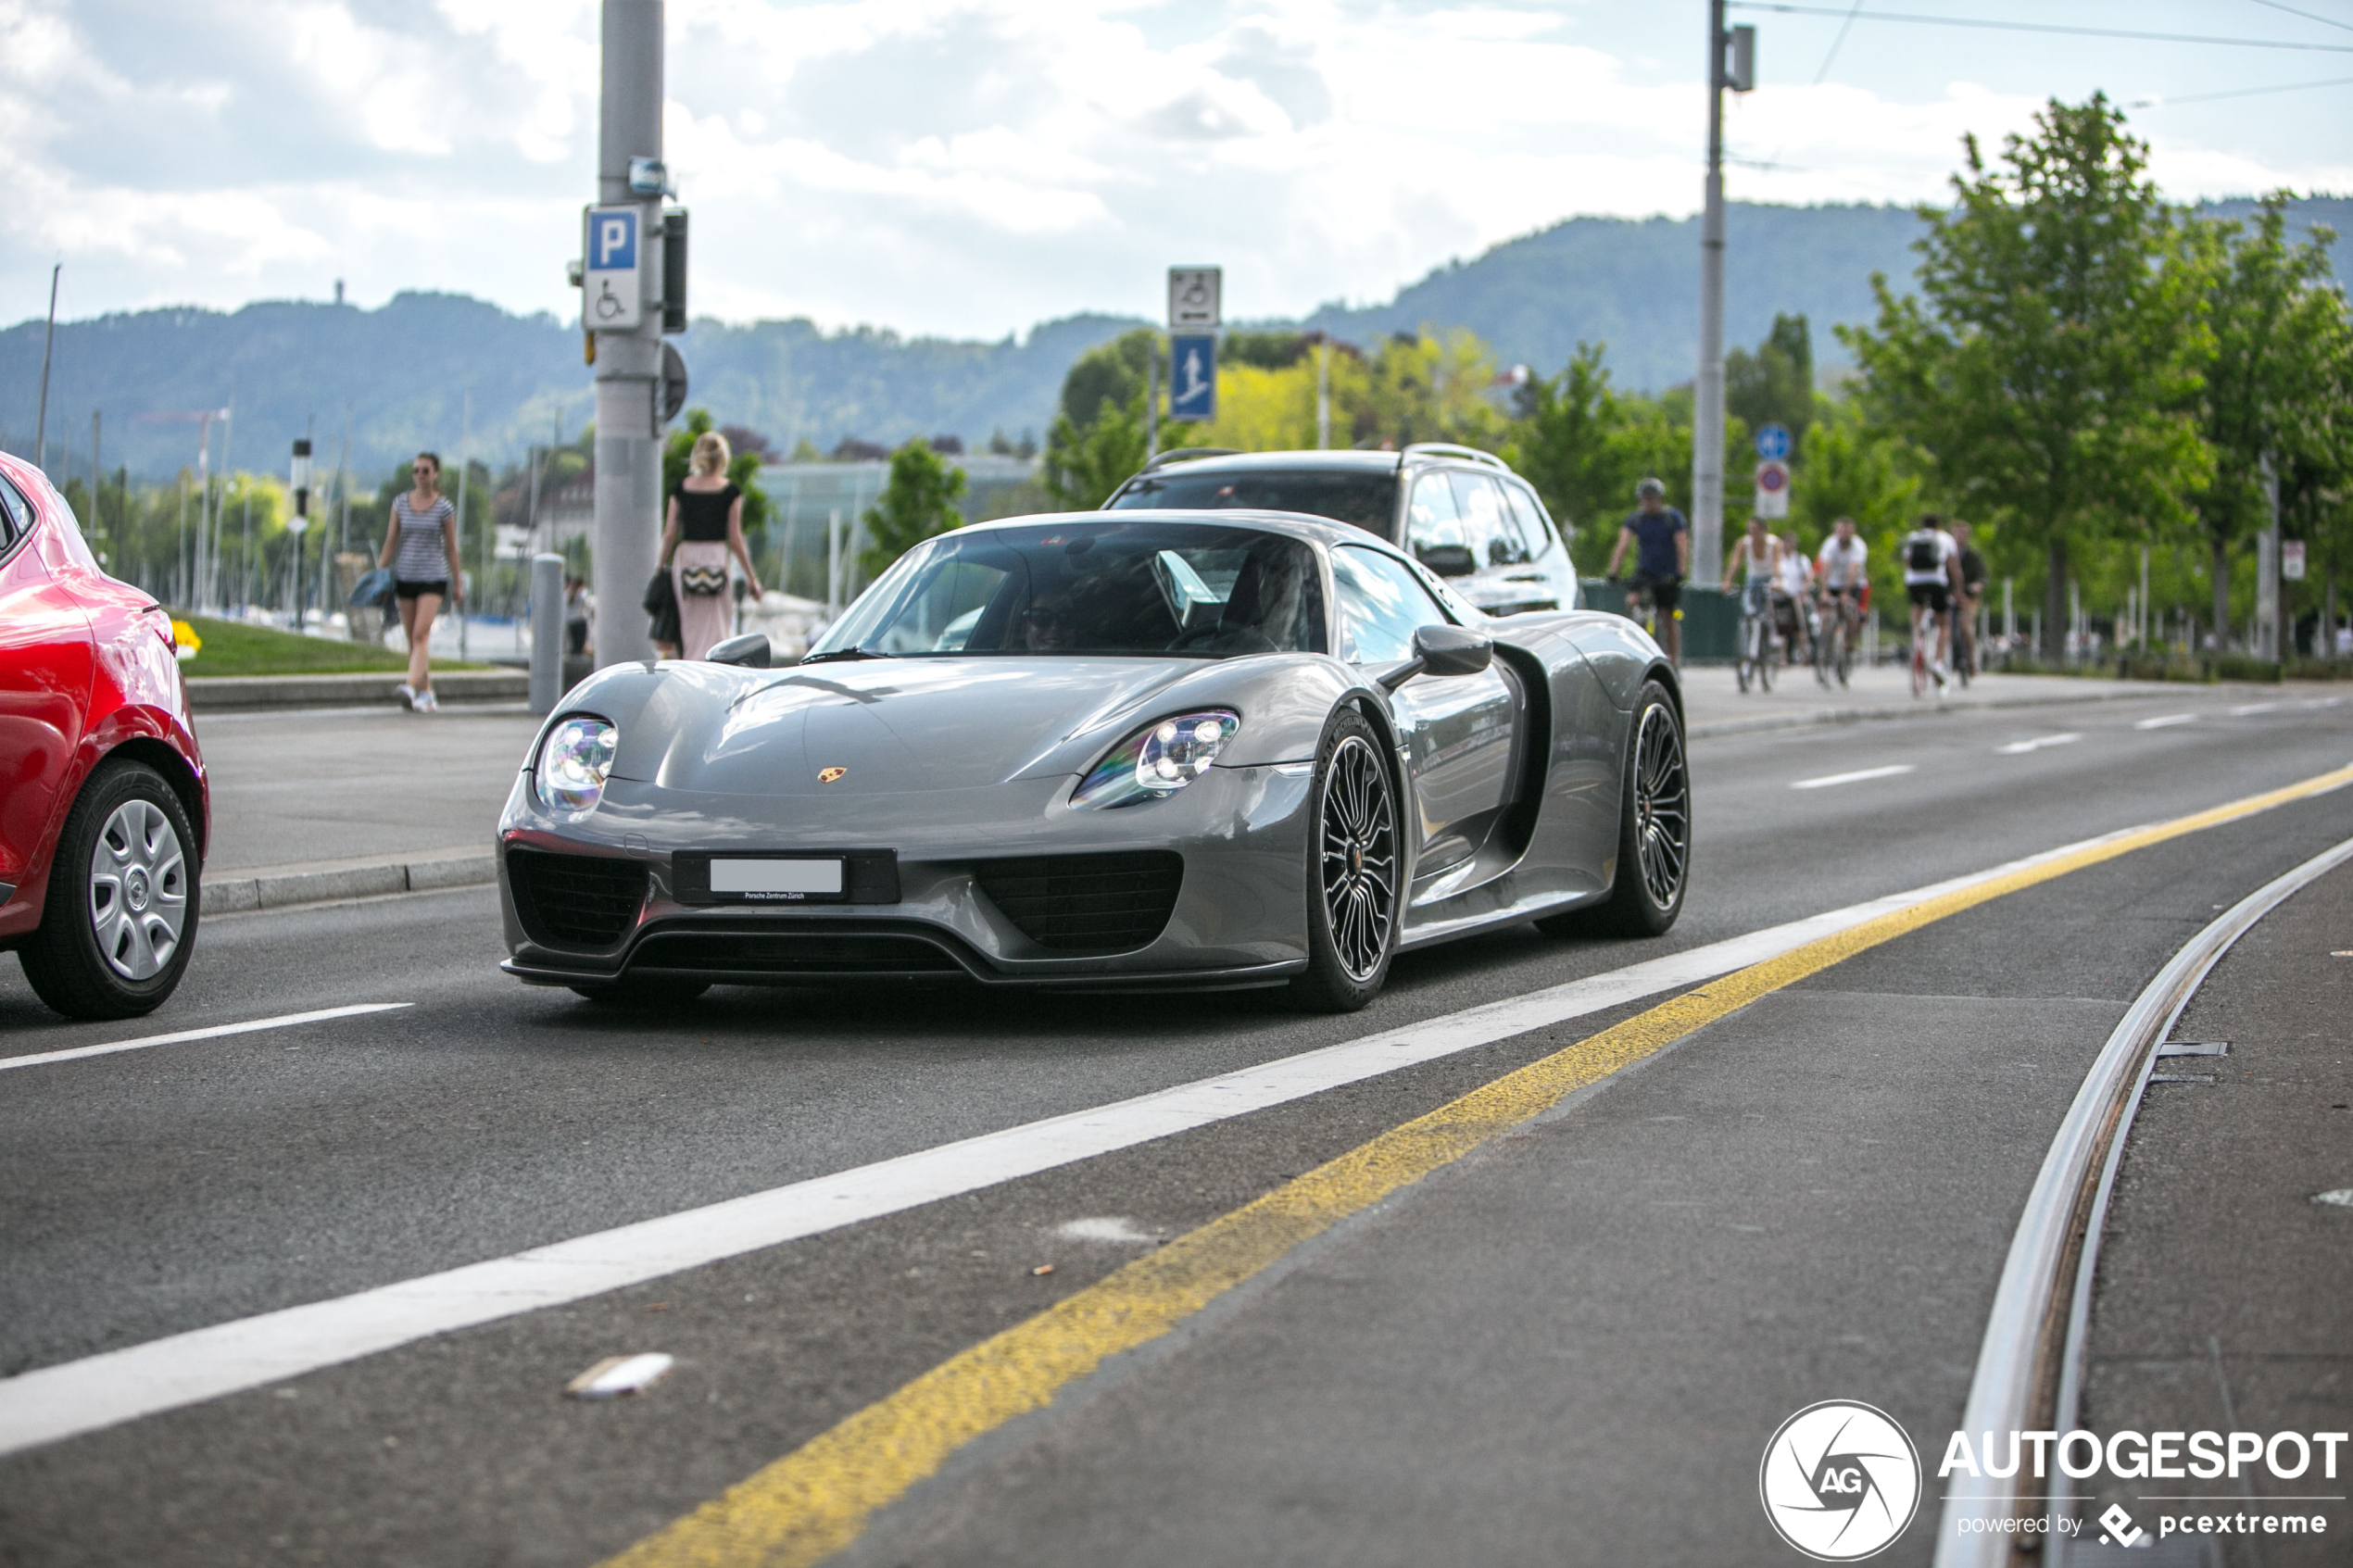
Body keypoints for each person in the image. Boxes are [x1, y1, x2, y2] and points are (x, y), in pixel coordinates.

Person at [659, 431, 764, 660]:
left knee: (690, 629)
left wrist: (659, 567)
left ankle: (690, 671)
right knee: (718, 626)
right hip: (716, 557)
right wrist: (751, 578)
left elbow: (669, 534)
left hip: (686, 558)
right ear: (723, 458)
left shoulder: (680, 489)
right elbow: (735, 539)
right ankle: (715, 671)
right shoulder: (730, 492)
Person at [377, 452, 464, 712]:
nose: (420, 475)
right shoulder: (400, 504)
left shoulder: (443, 507)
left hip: (433, 578)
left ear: (435, 474)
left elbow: (451, 548)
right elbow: (391, 541)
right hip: (406, 576)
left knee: (420, 633)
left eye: (425, 470)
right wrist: (380, 575)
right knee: (412, 638)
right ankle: (427, 692)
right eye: (416, 470)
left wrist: (457, 582)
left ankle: (410, 685)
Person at [1603, 478, 1690, 665]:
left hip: (1668, 573)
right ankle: (1636, 640)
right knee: (1632, 600)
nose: (1649, 503)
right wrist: (1613, 571)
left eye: (1652, 498)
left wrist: (1681, 571)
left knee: (1668, 616)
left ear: (1660, 499)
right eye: (1645, 499)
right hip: (1646, 571)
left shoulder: (1672, 518)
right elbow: (1623, 545)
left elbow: (1682, 545)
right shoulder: (1636, 519)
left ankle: (1673, 660)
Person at [1900, 510, 1962, 687]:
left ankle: (1916, 635)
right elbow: (1954, 567)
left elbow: (1907, 562)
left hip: (1914, 582)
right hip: (1936, 581)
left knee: (1917, 606)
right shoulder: (1945, 538)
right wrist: (1958, 590)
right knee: (1943, 624)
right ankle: (1938, 661)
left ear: (1922, 524)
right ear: (1938, 525)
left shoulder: (1912, 537)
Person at [1724, 515, 1781, 671]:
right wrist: (1728, 580)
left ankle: (1773, 637)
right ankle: (1745, 652)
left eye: (1755, 530)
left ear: (1763, 531)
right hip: (1753, 577)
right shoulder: (1743, 543)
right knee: (1748, 612)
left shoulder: (1774, 543)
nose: (1752, 534)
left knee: (1769, 607)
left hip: (1768, 576)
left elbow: (1776, 564)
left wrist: (1778, 580)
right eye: (1750, 530)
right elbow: (1735, 562)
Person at [1815, 515, 1869, 656]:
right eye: (1841, 531)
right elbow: (1825, 567)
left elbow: (1853, 570)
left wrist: (1846, 592)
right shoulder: (1830, 544)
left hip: (1853, 584)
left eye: (1847, 531)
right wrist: (1824, 590)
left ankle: (1849, 641)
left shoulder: (1858, 546)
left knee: (1851, 610)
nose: (1844, 535)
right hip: (1833, 582)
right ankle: (1826, 641)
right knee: (1826, 609)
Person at [1949, 519, 1989, 677]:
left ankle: (1971, 661)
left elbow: (1983, 576)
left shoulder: (1973, 557)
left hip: (1968, 598)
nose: (1959, 537)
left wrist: (1978, 585)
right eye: (1956, 533)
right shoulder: (1947, 555)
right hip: (1951, 596)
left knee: (1966, 627)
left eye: (1962, 534)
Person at [1775, 529, 1814, 663]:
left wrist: (1804, 591)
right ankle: (1782, 658)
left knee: (1800, 629)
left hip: (1796, 597)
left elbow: (1808, 577)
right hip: (1781, 597)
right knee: (1782, 629)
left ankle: (1804, 657)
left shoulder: (1800, 560)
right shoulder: (1778, 560)